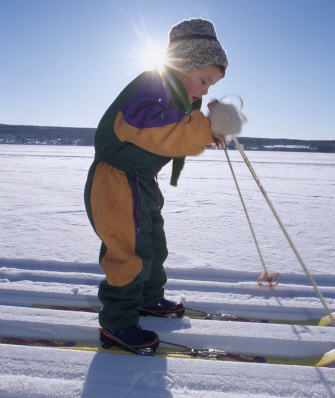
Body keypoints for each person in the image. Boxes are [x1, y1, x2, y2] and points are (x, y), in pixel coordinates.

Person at [84, 18, 244, 354]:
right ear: (184, 63)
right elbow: (145, 124)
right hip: (115, 182)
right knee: (128, 252)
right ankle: (117, 321)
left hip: (140, 184)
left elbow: (172, 132)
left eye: (210, 86)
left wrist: (207, 127)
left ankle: (148, 298)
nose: (204, 91)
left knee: (153, 242)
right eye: (204, 80)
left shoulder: (177, 97)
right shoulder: (152, 84)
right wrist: (202, 128)